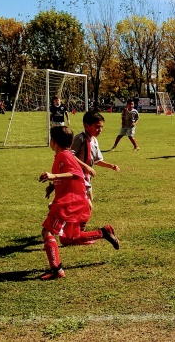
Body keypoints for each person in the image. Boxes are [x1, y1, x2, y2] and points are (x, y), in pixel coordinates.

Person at [39, 126, 120, 280]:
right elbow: (67, 176)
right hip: (74, 201)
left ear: (53, 141)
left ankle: (57, 270)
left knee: (47, 232)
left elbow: (75, 174)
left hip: (68, 203)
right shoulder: (64, 156)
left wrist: (53, 176)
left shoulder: (65, 156)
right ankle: (103, 232)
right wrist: (52, 186)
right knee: (70, 239)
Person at [68, 111, 120, 246]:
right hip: (78, 177)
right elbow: (69, 155)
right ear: (86, 126)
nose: (100, 130)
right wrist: (86, 166)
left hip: (87, 178)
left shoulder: (94, 140)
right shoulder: (80, 138)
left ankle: (78, 231)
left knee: (89, 202)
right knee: (86, 205)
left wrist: (110, 165)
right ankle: (79, 234)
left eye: (101, 127)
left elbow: (97, 160)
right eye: (97, 127)